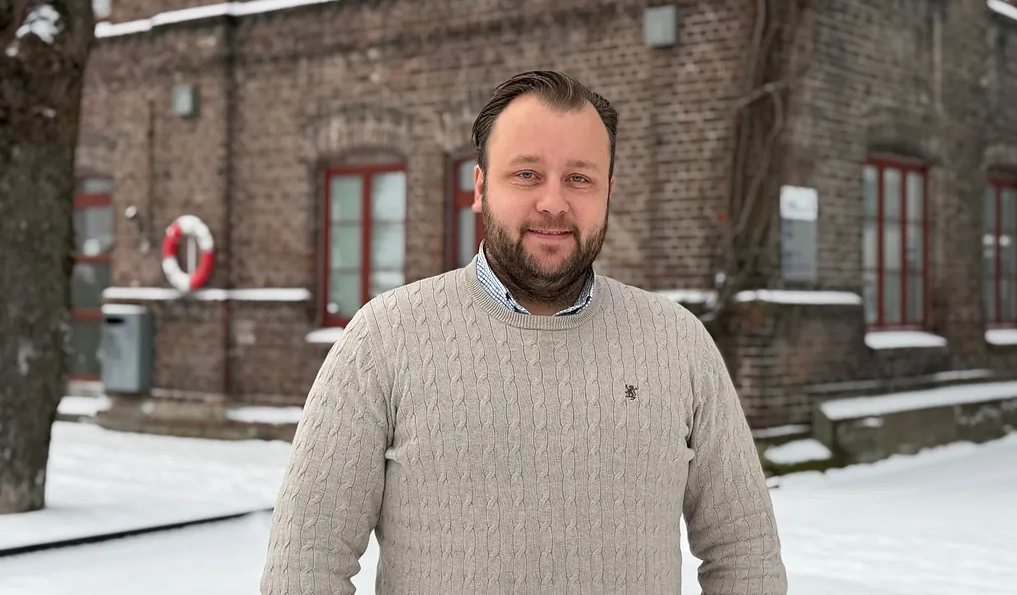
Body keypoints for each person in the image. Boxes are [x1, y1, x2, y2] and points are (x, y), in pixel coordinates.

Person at [260, 70, 787, 594]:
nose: (553, 202)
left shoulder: (678, 343)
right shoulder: (384, 338)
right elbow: (304, 569)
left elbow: (745, 558)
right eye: (527, 174)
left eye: (579, 178)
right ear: (481, 187)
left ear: (608, 192)